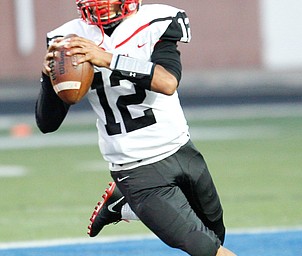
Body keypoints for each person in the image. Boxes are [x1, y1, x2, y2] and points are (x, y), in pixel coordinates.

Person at [35, 1, 236, 255]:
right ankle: (130, 198)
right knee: (205, 248)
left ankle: (123, 204)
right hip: (133, 166)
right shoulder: (67, 39)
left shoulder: (156, 21)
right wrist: (47, 77)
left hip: (180, 148)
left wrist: (107, 59)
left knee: (216, 234)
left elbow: (167, 82)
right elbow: (47, 123)